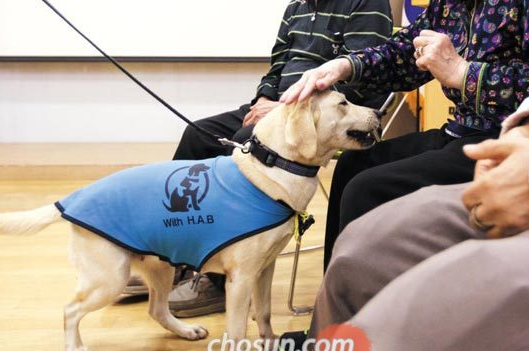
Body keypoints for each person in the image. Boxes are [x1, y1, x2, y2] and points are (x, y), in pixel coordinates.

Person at [285, 0, 529, 351]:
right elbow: (409, 51)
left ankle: (367, 340)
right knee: (354, 168)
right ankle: (331, 343)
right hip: (490, 132)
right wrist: (347, 65)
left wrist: (465, 73)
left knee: (369, 189)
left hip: (504, 137)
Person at [123, 0, 394, 317]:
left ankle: (218, 280)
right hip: (280, 109)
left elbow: (362, 78)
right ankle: (177, 259)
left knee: (242, 145)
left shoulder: (366, 3)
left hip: (320, 119)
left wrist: (284, 106)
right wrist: (267, 97)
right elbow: (278, 66)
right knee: (197, 135)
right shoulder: (297, 7)